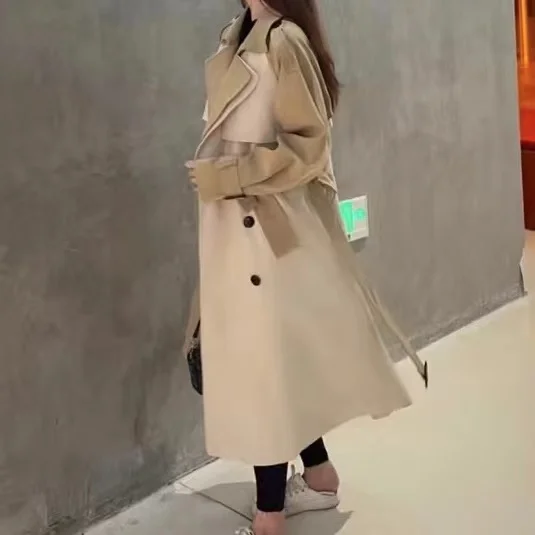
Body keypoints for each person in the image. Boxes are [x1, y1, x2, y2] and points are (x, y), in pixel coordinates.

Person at [184, 1, 428, 534]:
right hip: (236, 228)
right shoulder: (236, 33)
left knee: (262, 372)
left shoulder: (283, 40)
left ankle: (268, 516)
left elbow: (310, 146)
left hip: (265, 231)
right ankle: (319, 475)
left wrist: (232, 176)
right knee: (277, 365)